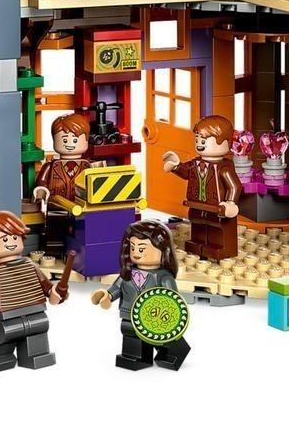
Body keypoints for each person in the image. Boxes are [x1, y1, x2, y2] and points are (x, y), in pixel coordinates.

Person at [91, 220, 190, 371]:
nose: (136, 253)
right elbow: (117, 287)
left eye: (142, 249)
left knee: (160, 338)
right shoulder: (127, 273)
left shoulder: (163, 276)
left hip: (153, 318)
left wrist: (168, 319)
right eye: (133, 248)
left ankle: (170, 353)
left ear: (162, 250)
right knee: (130, 333)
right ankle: (134, 356)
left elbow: (172, 300)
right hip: (129, 312)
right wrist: (108, 295)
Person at [0, 211, 64, 372]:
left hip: (36, 310)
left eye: (15, 237)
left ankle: (36, 355)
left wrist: (55, 293)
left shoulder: (30, 265)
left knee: (38, 329)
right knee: (5, 335)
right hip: (6, 315)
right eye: (4, 239)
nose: (11, 242)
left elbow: (46, 286)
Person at [163, 115, 242, 259]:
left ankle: (219, 248)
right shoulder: (195, 163)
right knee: (197, 222)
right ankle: (198, 245)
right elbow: (186, 172)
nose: (200, 143)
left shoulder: (224, 167)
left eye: (204, 140)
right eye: (197, 140)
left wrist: (230, 202)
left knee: (217, 225)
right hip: (196, 204)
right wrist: (176, 166)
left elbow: (234, 185)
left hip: (217, 207)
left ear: (225, 142)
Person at [32, 112, 92, 256]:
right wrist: (41, 190)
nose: (70, 144)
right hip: (57, 206)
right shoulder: (51, 166)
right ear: (55, 140)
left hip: (81, 208)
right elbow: (42, 182)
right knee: (55, 232)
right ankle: (54, 256)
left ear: (86, 140)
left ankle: (80, 255)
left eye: (75, 139)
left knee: (82, 233)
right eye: (64, 140)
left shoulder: (87, 166)